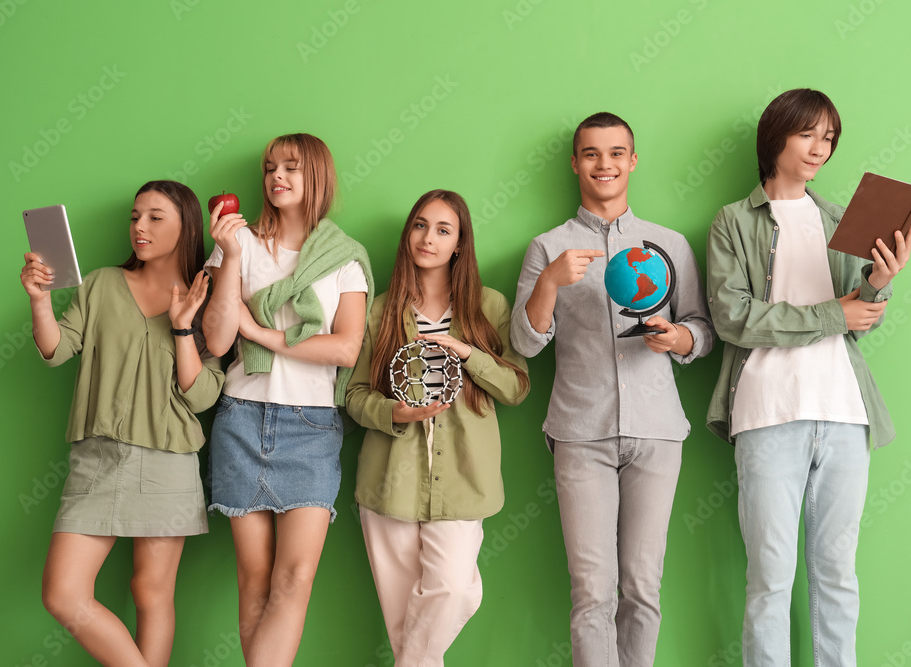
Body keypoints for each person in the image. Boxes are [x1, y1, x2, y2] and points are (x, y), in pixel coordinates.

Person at [705, 88, 911, 667]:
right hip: (767, 412)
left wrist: (879, 281)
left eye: (829, 138)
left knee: (837, 576)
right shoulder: (731, 222)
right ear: (776, 136)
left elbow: (860, 316)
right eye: (808, 134)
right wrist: (835, 314)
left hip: (845, 413)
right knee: (771, 578)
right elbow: (734, 318)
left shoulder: (840, 218)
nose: (820, 148)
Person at [510, 112, 714, 666]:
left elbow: (702, 328)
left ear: (633, 160)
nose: (605, 164)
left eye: (617, 152)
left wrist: (678, 339)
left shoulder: (668, 244)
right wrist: (551, 281)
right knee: (592, 594)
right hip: (581, 433)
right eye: (593, 154)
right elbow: (526, 344)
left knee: (643, 589)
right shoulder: (547, 247)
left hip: (657, 432)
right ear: (576, 162)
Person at [22, 180, 224, 667]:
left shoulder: (208, 295)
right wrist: (39, 299)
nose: (139, 226)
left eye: (156, 217)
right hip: (96, 459)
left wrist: (181, 327)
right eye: (135, 216)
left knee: (151, 592)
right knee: (63, 594)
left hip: (168, 461)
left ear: (187, 225)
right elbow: (55, 350)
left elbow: (200, 396)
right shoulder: (101, 283)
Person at [203, 133, 373, 666]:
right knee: (254, 579)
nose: (277, 176)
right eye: (270, 167)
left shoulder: (346, 257)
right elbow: (213, 337)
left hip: (312, 425)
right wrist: (230, 257)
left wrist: (263, 334)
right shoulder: (241, 244)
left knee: (294, 577)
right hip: (241, 417)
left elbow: (345, 347)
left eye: (291, 167)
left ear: (316, 175)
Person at [346, 189, 529, 666]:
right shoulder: (378, 311)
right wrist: (393, 413)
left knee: (452, 590)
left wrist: (469, 355)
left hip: (465, 480)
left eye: (443, 230)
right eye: (420, 225)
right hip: (390, 482)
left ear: (460, 244)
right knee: (404, 616)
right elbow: (354, 396)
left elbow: (515, 388)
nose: (428, 238)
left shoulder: (488, 307)